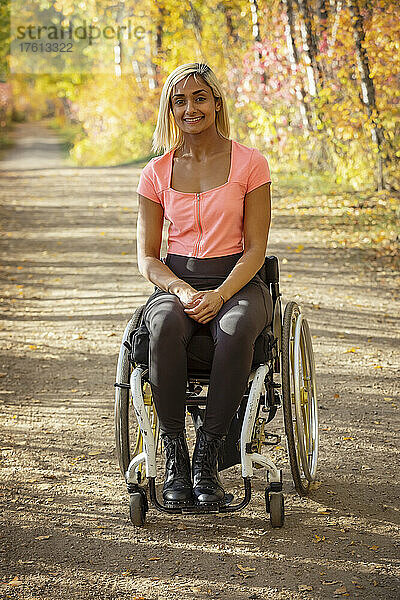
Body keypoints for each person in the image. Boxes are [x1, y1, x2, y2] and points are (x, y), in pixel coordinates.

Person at [136, 62, 273, 508]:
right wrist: (180, 290)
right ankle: (176, 455)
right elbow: (148, 258)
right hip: (177, 283)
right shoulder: (156, 172)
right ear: (170, 109)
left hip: (239, 280)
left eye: (200, 98)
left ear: (216, 103)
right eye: (180, 100)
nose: (190, 108)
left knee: (235, 331)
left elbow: (255, 248)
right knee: (160, 326)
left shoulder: (250, 163)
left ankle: (208, 458)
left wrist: (220, 294)